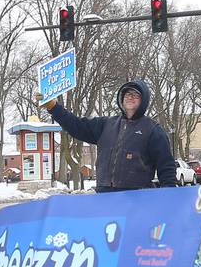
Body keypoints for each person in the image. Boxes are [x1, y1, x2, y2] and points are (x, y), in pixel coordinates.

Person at [37, 79, 177, 192]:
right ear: (121, 99)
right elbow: (76, 126)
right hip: (104, 196)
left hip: (136, 198)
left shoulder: (152, 129)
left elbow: (167, 167)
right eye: (127, 94)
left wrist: (167, 198)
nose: (130, 97)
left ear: (143, 100)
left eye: (135, 95)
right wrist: (54, 107)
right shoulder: (106, 124)